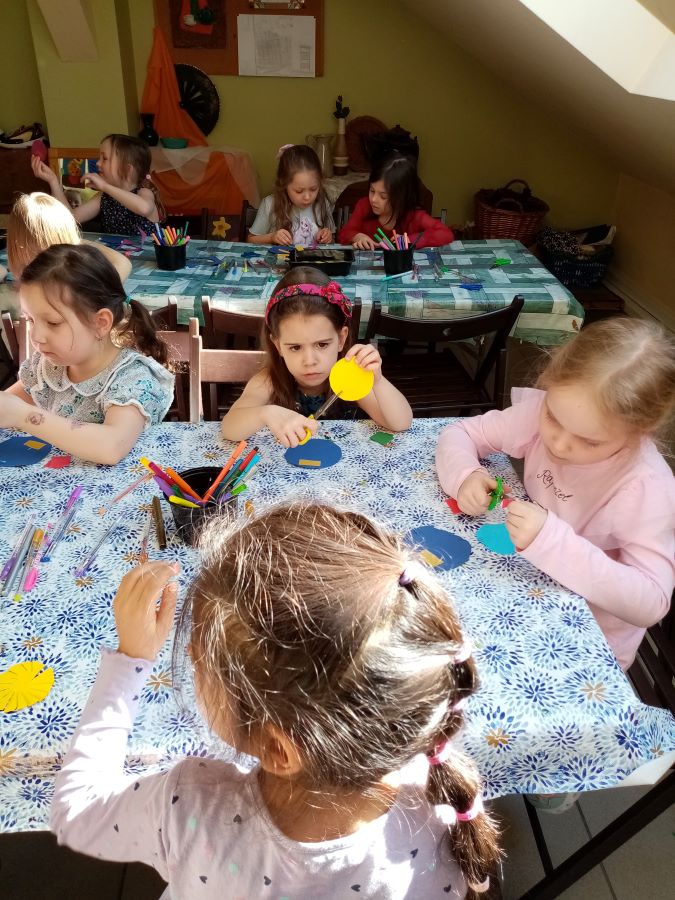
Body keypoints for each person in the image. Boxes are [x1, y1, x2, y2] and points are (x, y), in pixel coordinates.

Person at [51, 502, 501, 898]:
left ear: (278, 749)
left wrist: (129, 662)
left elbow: (77, 811)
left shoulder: (190, 806)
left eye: (202, 661)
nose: (188, 654)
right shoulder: (440, 797)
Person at [436, 317, 675, 672]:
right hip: (519, 594)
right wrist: (466, 475)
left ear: (641, 432)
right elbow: (460, 433)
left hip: (585, 643)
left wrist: (551, 540)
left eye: (589, 441)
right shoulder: (548, 411)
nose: (559, 444)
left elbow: (651, 602)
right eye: (553, 418)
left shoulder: (646, 486)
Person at [0, 243, 174, 465]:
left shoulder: (132, 378)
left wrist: (25, 416)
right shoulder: (46, 368)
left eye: (53, 323)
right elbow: (7, 405)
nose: (36, 336)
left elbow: (111, 447)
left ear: (100, 323)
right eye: (30, 320)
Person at [220, 266, 412, 446]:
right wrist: (266, 413)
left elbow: (401, 423)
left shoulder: (349, 379)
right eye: (295, 347)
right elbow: (229, 428)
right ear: (278, 345)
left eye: (322, 345)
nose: (310, 361)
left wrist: (378, 381)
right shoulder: (269, 380)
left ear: (341, 338)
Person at [1, 192, 132, 321]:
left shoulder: (16, 294)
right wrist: (73, 241)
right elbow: (122, 263)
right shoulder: (75, 289)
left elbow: (123, 264)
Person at [31, 134, 165, 236]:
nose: (98, 163)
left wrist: (105, 186)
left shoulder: (144, 192)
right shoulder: (104, 197)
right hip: (118, 260)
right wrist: (53, 181)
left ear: (126, 169)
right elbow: (70, 218)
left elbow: (143, 208)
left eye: (104, 159)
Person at [338, 152, 454, 250]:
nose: (373, 199)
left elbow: (445, 234)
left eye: (383, 196)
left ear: (401, 198)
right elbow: (344, 233)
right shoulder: (364, 206)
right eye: (372, 191)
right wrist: (357, 237)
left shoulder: (413, 216)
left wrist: (410, 239)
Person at [247, 144, 335, 246]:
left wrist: (328, 238)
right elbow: (250, 240)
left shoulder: (323, 203)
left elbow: (333, 241)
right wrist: (272, 237)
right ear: (284, 184)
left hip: (313, 256)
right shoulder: (270, 204)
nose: (307, 197)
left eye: (313, 189)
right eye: (299, 191)